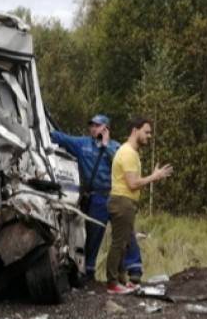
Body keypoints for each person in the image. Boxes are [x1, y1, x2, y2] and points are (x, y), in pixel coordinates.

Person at [50, 115, 145, 282]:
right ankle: (89, 270)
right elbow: (61, 138)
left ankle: (134, 269)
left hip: (115, 195)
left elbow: (119, 162)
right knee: (93, 234)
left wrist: (106, 145)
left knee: (125, 233)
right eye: (92, 126)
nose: (93, 128)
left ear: (106, 128)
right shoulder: (82, 144)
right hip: (96, 197)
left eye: (97, 126)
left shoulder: (116, 147)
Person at [105, 117, 172, 295]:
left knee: (124, 243)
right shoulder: (128, 153)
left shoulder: (131, 152)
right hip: (122, 201)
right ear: (135, 130)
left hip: (124, 202)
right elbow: (132, 184)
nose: (149, 136)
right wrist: (154, 176)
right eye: (147, 132)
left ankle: (121, 281)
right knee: (119, 244)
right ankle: (112, 283)